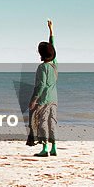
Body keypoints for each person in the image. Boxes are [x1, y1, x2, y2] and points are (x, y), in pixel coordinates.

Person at [29, 19, 58, 157]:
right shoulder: (54, 65)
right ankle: (54, 148)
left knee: (42, 122)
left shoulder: (42, 68)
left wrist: (34, 100)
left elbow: (41, 85)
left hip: (44, 99)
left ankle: (45, 148)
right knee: (52, 122)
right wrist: (51, 31)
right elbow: (53, 48)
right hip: (54, 99)